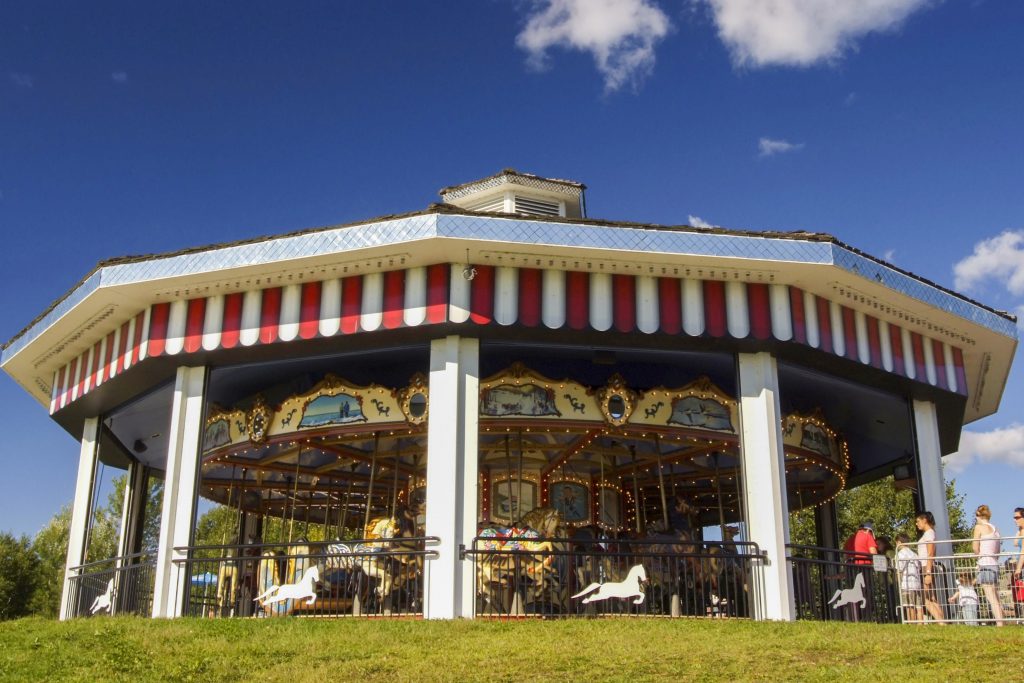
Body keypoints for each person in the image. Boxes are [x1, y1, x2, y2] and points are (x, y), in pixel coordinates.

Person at [971, 504, 1004, 626]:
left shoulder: (979, 527)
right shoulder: (995, 528)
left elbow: (975, 547)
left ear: (978, 515)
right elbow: (998, 550)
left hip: (985, 563)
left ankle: (1000, 623)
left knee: (990, 596)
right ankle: (1002, 621)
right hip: (994, 563)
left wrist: (978, 557)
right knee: (995, 595)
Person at [915, 511, 945, 623]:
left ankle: (941, 622)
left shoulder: (929, 533)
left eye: (918, 521)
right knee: (932, 597)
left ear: (924, 520)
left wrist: (928, 572)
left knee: (925, 598)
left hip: (926, 567)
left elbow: (930, 553)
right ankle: (942, 621)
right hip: (927, 566)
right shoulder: (929, 533)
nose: (917, 524)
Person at [895, 533, 922, 623]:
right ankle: (920, 623)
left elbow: (899, 570)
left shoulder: (899, 554)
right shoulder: (914, 554)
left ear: (898, 542)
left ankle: (911, 623)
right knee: (918, 606)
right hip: (916, 583)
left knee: (909, 606)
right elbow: (919, 567)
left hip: (906, 583)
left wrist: (898, 581)